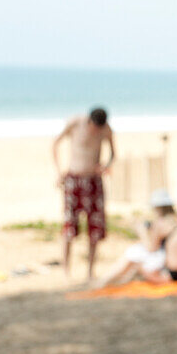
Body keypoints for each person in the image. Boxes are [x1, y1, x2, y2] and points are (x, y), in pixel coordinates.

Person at [53, 107, 115, 280]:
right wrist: (59, 172)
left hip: (94, 181)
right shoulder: (75, 123)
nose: (96, 131)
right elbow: (55, 143)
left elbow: (113, 153)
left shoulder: (106, 129)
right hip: (74, 179)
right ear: (89, 121)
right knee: (69, 226)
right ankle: (66, 270)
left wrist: (105, 166)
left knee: (95, 229)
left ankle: (90, 271)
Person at [98, 188, 177, 286]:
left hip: (174, 275)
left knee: (134, 253)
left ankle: (105, 281)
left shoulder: (162, 223)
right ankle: (112, 282)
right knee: (139, 259)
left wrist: (141, 231)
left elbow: (151, 249)